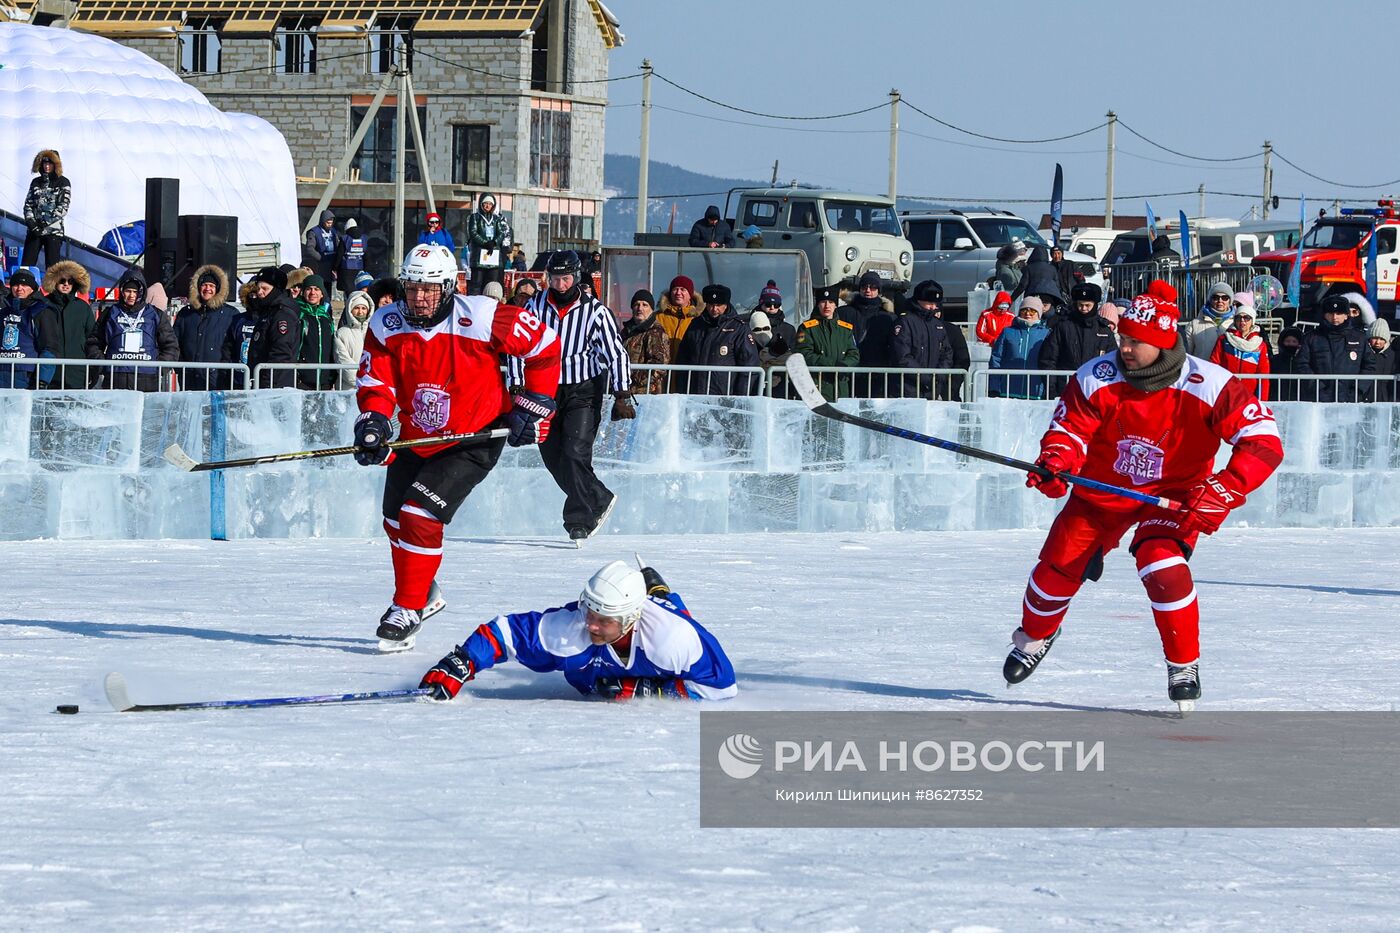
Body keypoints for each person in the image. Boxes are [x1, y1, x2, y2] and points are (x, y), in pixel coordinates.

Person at [1010, 287, 1284, 708]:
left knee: (1163, 565)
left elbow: (1263, 441)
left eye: (1135, 340)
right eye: (1122, 337)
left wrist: (1226, 488)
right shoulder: (1096, 376)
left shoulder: (1211, 382)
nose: (1125, 347)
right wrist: (1056, 460)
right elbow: (1070, 431)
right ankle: (1035, 635)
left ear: (1161, 340)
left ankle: (1183, 663)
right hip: (1103, 492)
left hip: (1175, 496)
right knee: (1053, 573)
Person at [354, 243, 560, 650]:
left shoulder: (482, 316)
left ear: (449, 287)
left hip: (474, 436)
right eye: (412, 287)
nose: (419, 298)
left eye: (430, 289)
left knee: (418, 513)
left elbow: (545, 346)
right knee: (394, 519)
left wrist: (532, 406)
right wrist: (375, 421)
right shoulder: (386, 323)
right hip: (419, 435)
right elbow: (376, 379)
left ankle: (407, 606)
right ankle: (423, 591)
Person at [419, 560, 737, 702]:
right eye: (590, 613)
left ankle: (659, 593)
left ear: (631, 619)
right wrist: (461, 663)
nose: (592, 626)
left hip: (662, 621)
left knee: (668, 606)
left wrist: (647, 689)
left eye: (605, 620)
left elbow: (721, 688)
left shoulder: (673, 639)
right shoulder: (572, 627)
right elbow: (505, 633)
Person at [507, 250, 631, 543]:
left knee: (575, 452)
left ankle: (578, 519)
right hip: (542, 390)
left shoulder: (595, 312)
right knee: (552, 457)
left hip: (582, 390)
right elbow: (517, 345)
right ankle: (598, 496)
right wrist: (515, 383)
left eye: (566, 279)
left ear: (576, 278)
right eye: (555, 279)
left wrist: (622, 392)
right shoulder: (534, 308)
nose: (561, 285)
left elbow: (615, 352)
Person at [86, 268, 179, 391]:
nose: (132, 296)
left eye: (135, 292)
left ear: (141, 292)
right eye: (128, 291)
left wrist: (158, 368)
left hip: (147, 380)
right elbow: (94, 343)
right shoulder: (110, 314)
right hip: (115, 379)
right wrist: (103, 365)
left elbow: (171, 346)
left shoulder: (155, 314)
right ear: (122, 291)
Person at [675, 283, 760, 396]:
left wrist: (741, 397)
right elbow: (683, 359)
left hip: (724, 395)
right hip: (695, 395)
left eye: (719, 305)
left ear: (726, 304)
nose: (714, 309)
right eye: (710, 305)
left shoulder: (739, 328)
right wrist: (682, 391)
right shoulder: (695, 325)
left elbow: (749, 365)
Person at [1038, 281, 1117, 396]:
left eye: (1087, 305)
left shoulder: (1103, 330)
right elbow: (1048, 358)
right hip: (1065, 387)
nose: (1083, 309)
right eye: (1080, 305)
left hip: (1095, 389)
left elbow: (1113, 360)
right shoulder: (1063, 326)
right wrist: (1052, 389)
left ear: (1095, 304)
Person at [1296, 294, 1375, 402]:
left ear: (1346, 315)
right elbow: (1302, 364)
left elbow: (1369, 366)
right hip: (1318, 399)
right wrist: (1318, 389)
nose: (1334, 317)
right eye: (1330, 313)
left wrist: (1357, 390)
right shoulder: (1312, 338)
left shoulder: (1360, 338)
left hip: (1351, 399)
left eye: (1339, 313)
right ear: (1324, 315)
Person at [174, 265, 239, 390]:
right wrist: (180, 367)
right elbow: (175, 342)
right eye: (204, 285)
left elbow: (234, 348)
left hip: (219, 379)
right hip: (189, 378)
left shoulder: (231, 314)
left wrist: (227, 370)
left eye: (212, 286)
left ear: (218, 288)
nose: (207, 289)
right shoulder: (186, 313)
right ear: (198, 287)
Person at [32, 261, 93, 390]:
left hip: (76, 373)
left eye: (70, 281)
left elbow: (91, 339)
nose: (66, 284)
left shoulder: (83, 308)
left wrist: (92, 370)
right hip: (49, 374)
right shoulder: (43, 305)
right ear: (54, 281)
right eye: (62, 280)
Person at [891, 280, 954, 400]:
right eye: (929, 303)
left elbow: (947, 352)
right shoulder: (905, 321)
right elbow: (902, 356)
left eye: (935, 303)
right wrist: (925, 377)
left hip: (932, 389)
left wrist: (939, 375)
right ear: (919, 300)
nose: (933, 307)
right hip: (908, 389)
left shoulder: (937, 325)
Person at [797, 285, 860, 401]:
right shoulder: (807, 328)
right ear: (818, 304)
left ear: (836, 305)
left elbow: (854, 354)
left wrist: (845, 365)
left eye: (831, 302)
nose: (827, 306)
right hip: (816, 387)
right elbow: (804, 353)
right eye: (823, 302)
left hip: (840, 388)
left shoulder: (845, 329)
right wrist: (831, 364)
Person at [245, 266, 302, 388]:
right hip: (262, 379)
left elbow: (281, 353)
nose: (260, 292)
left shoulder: (282, 314)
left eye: (265, 288)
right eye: (258, 288)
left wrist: (267, 383)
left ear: (276, 290)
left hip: (274, 384)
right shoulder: (268, 311)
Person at [1208, 293, 1271, 400]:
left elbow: (1263, 376)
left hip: (1249, 395)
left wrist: (1262, 400)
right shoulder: (1224, 340)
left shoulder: (1260, 345)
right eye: (1239, 318)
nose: (1242, 321)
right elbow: (1214, 366)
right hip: (1226, 392)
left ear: (1252, 321)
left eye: (1246, 318)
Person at [989, 296, 1050, 399]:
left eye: (1033, 311)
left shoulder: (1046, 334)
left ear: (1039, 314)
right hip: (1008, 390)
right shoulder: (1008, 332)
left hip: (1035, 393)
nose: (1027, 314)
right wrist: (994, 387)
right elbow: (996, 359)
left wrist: (1048, 389)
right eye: (1024, 310)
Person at [22, 149, 71, 269]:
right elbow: (28, 204)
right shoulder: (36, 182)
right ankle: (24, 285)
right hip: (34, 230)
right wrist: (31, 223)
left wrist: (44, 222)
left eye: (50, 163)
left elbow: (63, 207)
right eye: (44, 163)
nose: (47, 166)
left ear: (56, 165)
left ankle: (52, 288)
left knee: (53, 268)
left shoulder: (63, 182)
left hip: (53, 231)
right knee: (26, 265)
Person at [0, 268, 43, 389]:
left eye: (24, 285)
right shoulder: (3, 312)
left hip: (25, 373)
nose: (19, 288)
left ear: (32, 288)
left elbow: (49, 347)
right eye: (16, 285)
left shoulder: (40, 312)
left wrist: (42, 380)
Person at [623, 289, 670, 395]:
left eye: (645, 305)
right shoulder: (626, 331)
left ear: (651, 309)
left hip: (646, 393)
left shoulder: (656, 332)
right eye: (636, 304)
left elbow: (659, 365)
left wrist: (633, 378)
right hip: (625, 390)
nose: (640, 308)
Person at [294, 274, 338, 389]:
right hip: (302, 381)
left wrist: (331, 376)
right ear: (303, 292)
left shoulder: (326, 317)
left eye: (316, 289)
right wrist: (297, 375)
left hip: (324, 382)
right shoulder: (298, 315)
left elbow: (331, 348)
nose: (313, 292)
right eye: (309, 289)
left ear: (322, 293)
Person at [466, 195, 511, 295]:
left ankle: (490, 304)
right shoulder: (475, 217)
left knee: (491, 284)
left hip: (493, 256)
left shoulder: (496, 219)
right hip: (479, 256)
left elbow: (501, 233)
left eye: (490, 204)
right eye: (485, 203)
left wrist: (494, 242)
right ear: (481, 204)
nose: (487, 206)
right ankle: (474, 303)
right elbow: (473, 233)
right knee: (476, 283)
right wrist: (485, 243)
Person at [837, 271, 895, 345]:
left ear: (878, 290)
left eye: (873, 287)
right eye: (864, 286)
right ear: (859, 289)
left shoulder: (887, 317)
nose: (868, 290)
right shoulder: (844, 312)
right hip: (851, 356)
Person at [1182, 283, 1235, 359]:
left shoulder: (1235, 324)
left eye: (1225, 298)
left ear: (1230, 301)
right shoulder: (1194, 325)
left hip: (1226, 370)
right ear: (1210, 300)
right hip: (1202, 369)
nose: (1220, 301)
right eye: (1215, 297)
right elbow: (1186, 355)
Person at [656, 275, 703, 359]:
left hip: (687, 370)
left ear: (690, 295)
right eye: (675, 289)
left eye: (683, 289)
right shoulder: (658, 317)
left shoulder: (699, 319)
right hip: (662, 370)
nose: (678, 293)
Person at [335, 289, 374, 367]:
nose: (360, 312)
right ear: (350, 310)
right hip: (350, 379)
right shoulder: (341, 333)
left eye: (363, 308)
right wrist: (357, 377)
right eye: (356, 308)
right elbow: (343, 360)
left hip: (369, 379)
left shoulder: (374, 331)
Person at [1362, 319, 1395, 403]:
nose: (1378, 342)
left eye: (1381, 339)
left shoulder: (1392, 355)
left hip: (1385, 398)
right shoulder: (1363, 353)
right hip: (1364, 397)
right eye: (1375, 338)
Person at [303, 211, 339, 286]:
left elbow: (337, 244)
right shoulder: (314, 232)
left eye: (331, 223)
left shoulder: (333, 231)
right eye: (328, 223)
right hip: (320, 265)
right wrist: (320, 257)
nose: (330, 225)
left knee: (330, 287)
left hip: (332, 264)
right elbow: (310, 249)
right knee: (321, 285)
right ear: (323, 221)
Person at [334, 218, 367, 301]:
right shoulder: (364, 238)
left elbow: (339, 254)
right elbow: (366, 255)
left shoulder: (345, 238)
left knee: (348, 292)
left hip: (346, 269)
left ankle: (348, 306)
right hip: (359, 267)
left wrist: (335, 267)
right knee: (358, 290)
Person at [1271, 326, 1306, 402]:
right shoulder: (1274, 360)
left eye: (1294, 341)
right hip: (1277, 399)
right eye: (1287, 341)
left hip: (1299, 401)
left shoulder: (1304, 362)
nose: (1290, 344)